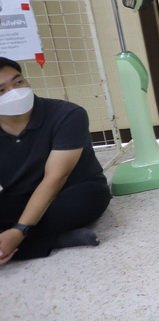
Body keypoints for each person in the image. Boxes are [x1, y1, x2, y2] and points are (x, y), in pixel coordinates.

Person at [0, 57, 111, 262]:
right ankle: (56, 239)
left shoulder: (67, 115)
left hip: (69, 191)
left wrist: (20, 229)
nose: (14, 92)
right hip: (20, 196)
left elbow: (55, 178)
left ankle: (20, 240)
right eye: (1, 90)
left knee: (86, 199)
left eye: (18, 82)